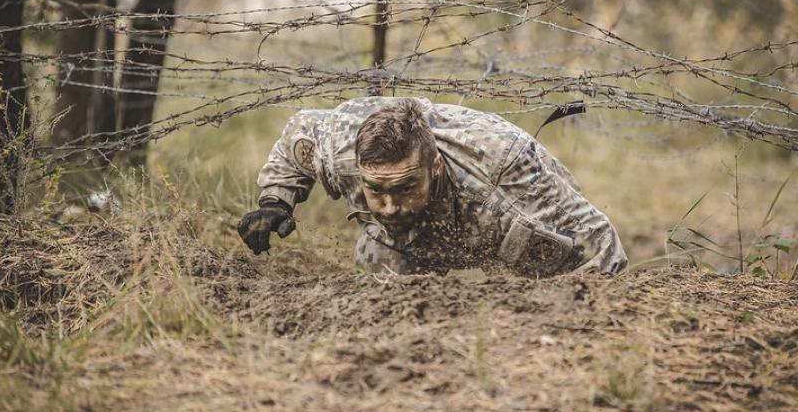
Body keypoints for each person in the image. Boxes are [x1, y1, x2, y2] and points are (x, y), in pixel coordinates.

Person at [238, 97, 627, 277]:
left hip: (492, 216)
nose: (389, 206)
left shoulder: (506, 165)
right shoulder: (338, 147)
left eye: (406, 187)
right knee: (376, 266)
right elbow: (297, 135)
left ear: (434, 165)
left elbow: (598, 240)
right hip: (408, 241)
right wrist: (276, 201)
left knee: (541, 258)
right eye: (376, 190)